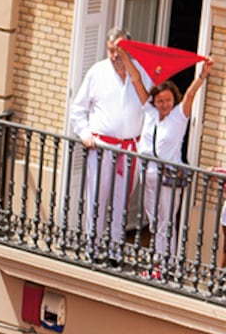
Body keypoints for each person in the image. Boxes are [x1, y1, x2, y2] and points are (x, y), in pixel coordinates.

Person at [120, 49, 212, 268]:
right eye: (160, 100)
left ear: (174, 100)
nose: (164, 104)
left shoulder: (179, 116)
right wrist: (124, 54)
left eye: (168, 100)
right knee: (153, 221)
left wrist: (202, 75)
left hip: (168, 176)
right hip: (148, 174)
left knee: (166, 221)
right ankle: (161, 260)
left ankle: (164, 265)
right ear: (155, 101)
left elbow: (190, 94)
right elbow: (136, 80)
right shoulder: (150, 112)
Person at [68, 28, 148, 256]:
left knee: (121, 203)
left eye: (118, 50)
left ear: (128, 49)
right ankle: (92, 249)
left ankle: (115, 251)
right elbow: (78, 109)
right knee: (97, 199)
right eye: (110, 50)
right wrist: (84, 132)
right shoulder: (97, 72)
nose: (114, 55)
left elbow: (150, 108)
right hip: (101, 147)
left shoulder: (140, 73)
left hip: (130, 149)